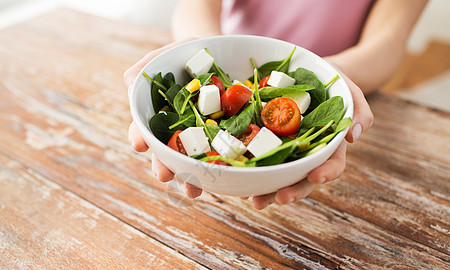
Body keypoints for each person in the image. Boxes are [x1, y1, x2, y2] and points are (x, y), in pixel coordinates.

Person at [124, 0, 428, 209]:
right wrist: (204, 47)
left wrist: (332, 73)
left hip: (347, 68)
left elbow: (389, 38)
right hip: (228, 45)